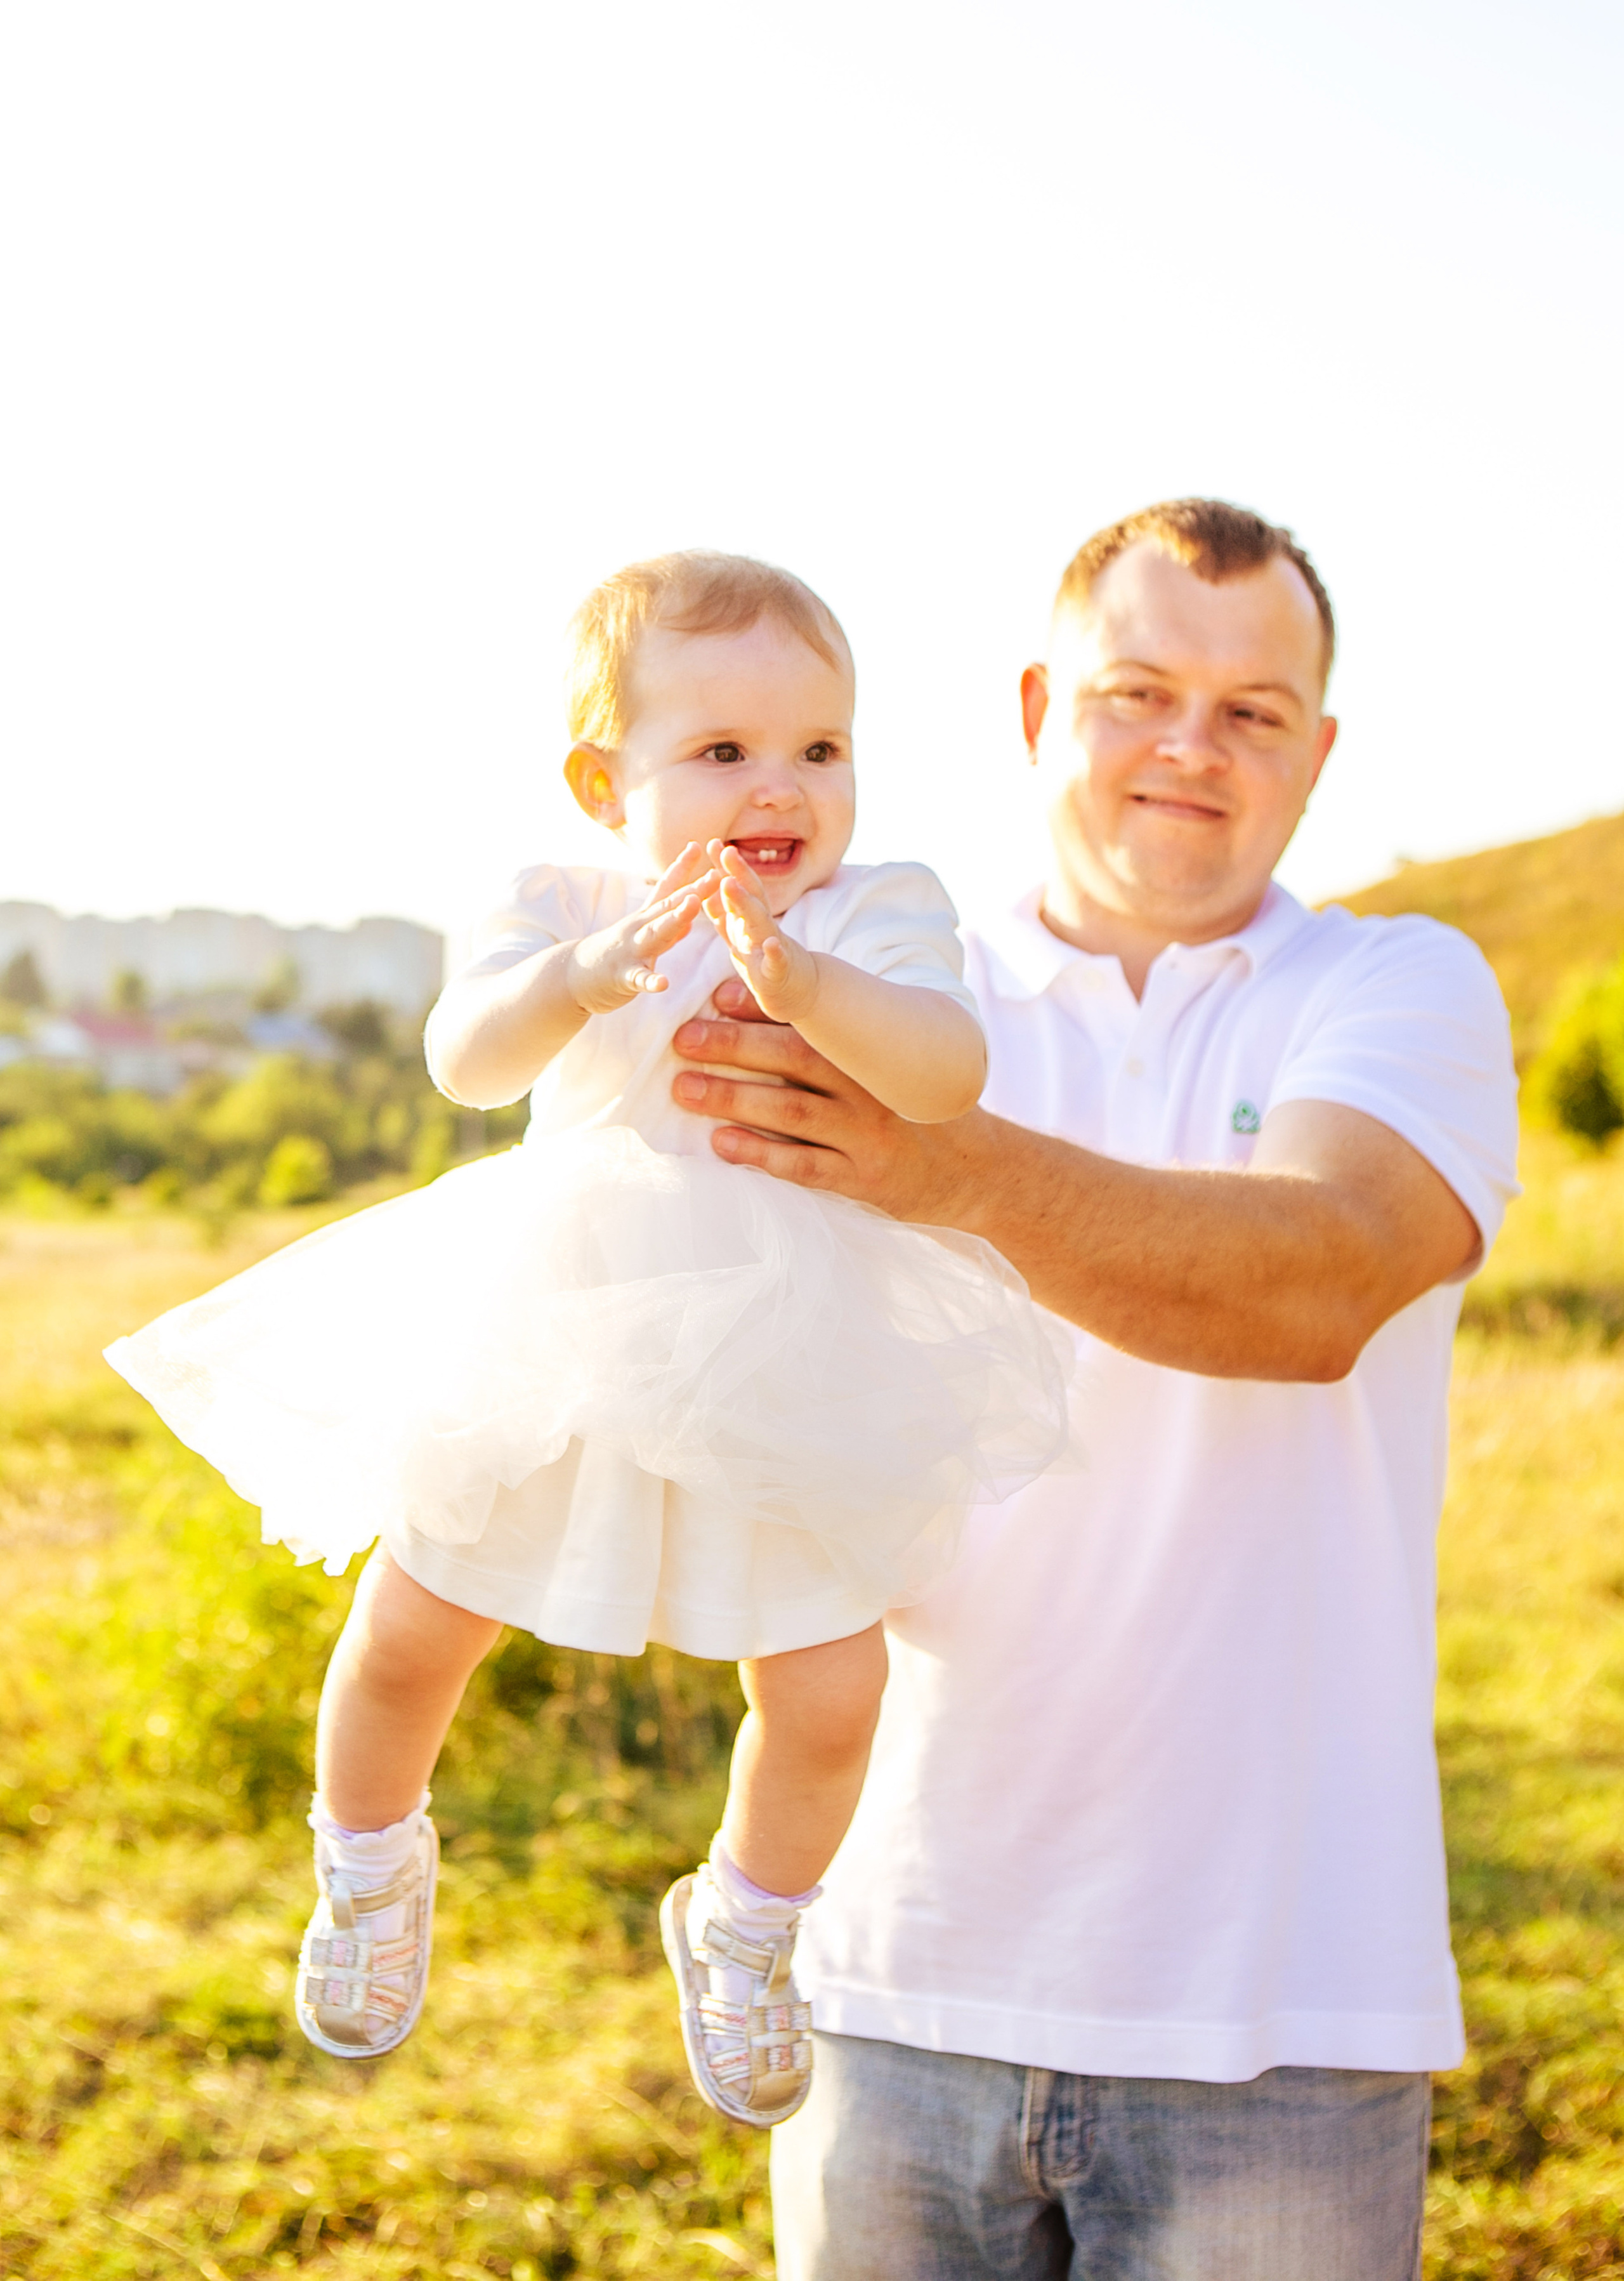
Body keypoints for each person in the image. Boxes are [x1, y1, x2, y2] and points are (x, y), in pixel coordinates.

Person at [665, 501, 1521, 2277]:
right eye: (1137, 691)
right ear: (1038, 706)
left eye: (1251, 711)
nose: (1190, 746)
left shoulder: (1396, 985)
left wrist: (947, 1167)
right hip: (891, 1965)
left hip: (1280, 2008)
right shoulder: (875, 986)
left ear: (1318, 752)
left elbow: (1318, 1283)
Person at [105, 551, 1069, 2124]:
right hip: (563, 1320)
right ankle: (368, 1860)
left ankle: (747, 1919)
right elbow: (467, 1061)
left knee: (830, 1683)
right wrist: (578, 976)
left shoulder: (871, 911)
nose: (782, 787)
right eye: (723, 750)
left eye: (821, 748)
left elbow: (943, 1071)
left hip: (791, 1339)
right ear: (601, 782)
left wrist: (810, 984)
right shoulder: (562, 903)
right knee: (417, 1618)